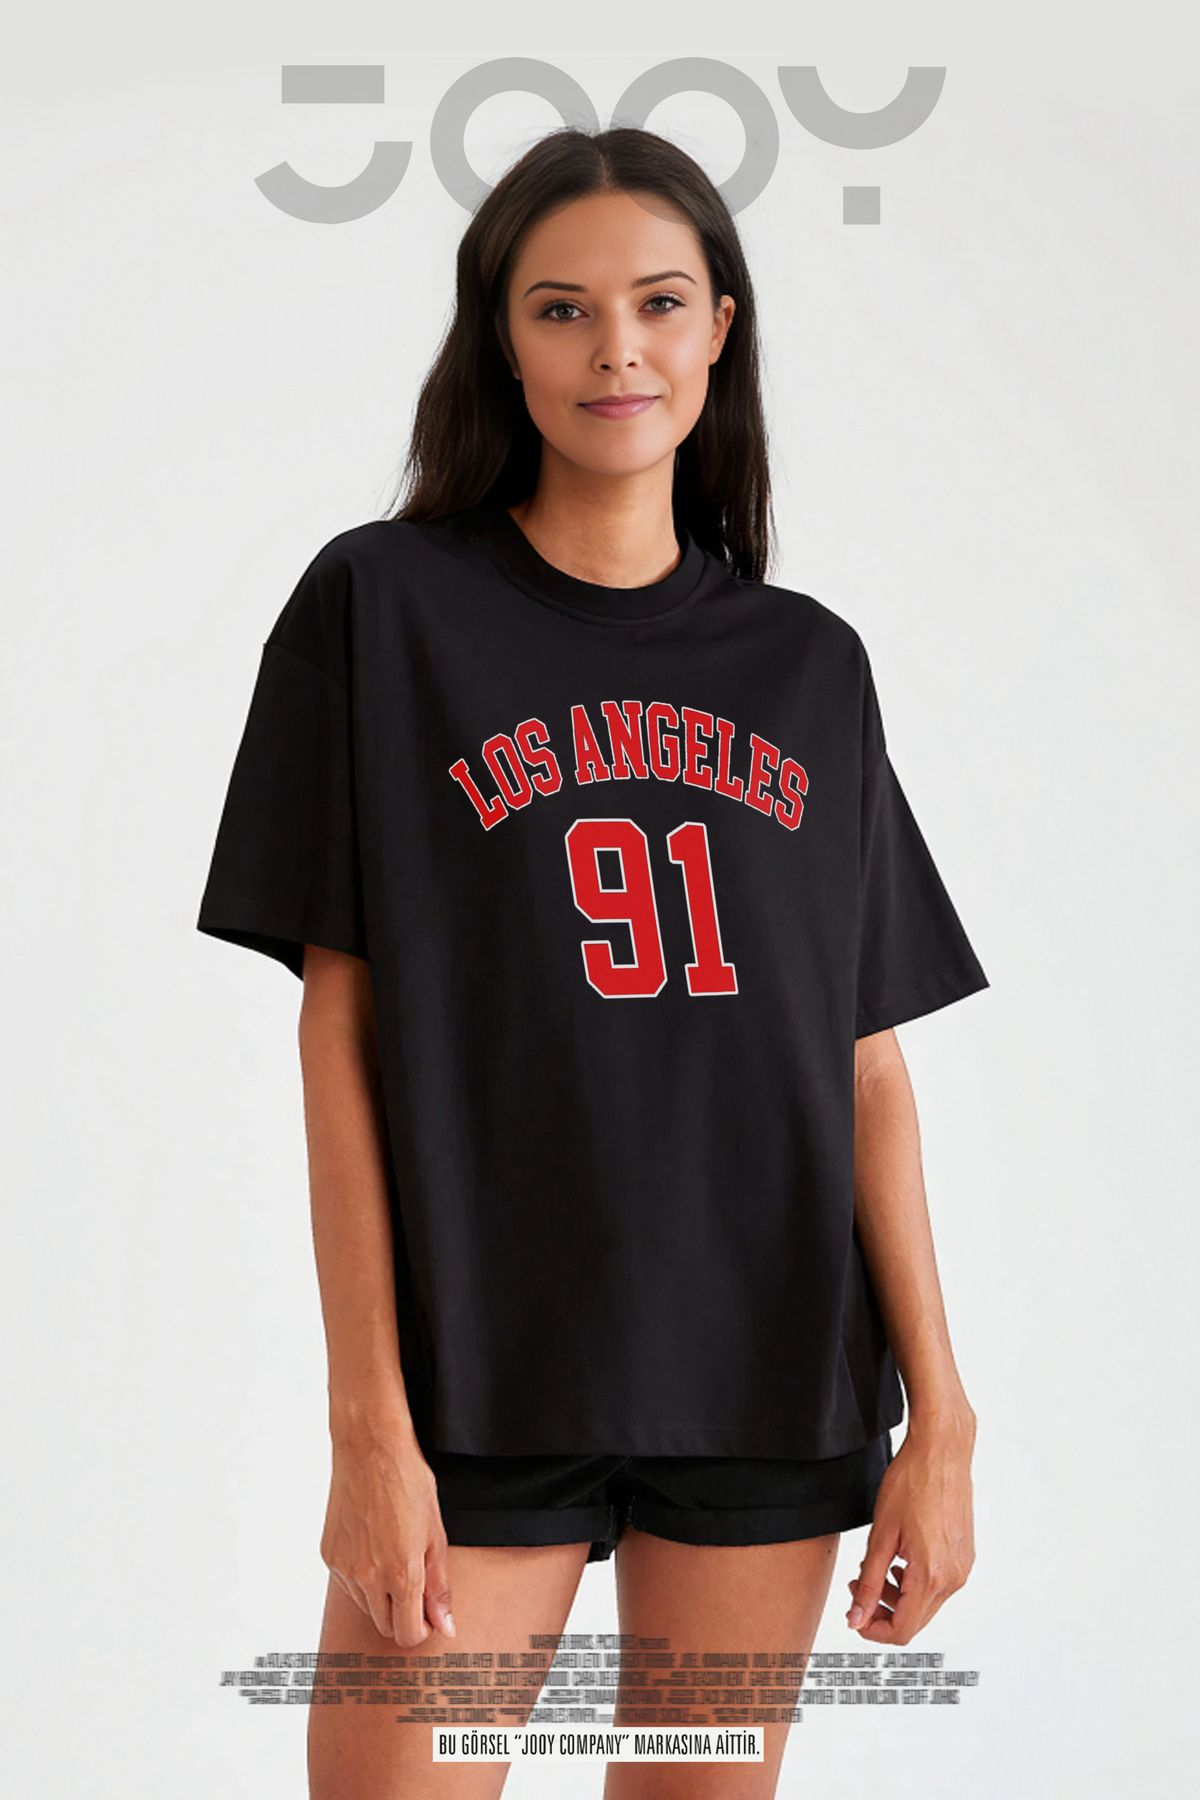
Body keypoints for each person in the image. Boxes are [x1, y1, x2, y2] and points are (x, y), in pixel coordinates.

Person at [196, 125, 988, 1800]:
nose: (616, 349)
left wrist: (945, 1419)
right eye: (560, 309)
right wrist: (368, 1421)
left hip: (766, 1370)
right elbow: (341, 1033)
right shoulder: (383, 608)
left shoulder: (809, 666)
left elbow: (863, 1067)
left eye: (658, 303)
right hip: (480, 1367)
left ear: (719, 332)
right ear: (502, 340)